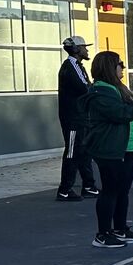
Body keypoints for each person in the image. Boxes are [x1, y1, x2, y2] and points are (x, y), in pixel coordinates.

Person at [83, 51, 133, 249]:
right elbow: (121, 114)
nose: (123, 68)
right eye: (120, 64)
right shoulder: (101, 91)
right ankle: (103, 233)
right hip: (110, 148)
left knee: (122, 190)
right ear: (109, 67)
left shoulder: (117, 88)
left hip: (128, 147)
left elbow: (129, 112)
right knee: (110, 190)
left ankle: (119, 228)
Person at [56, 35, 98, 200]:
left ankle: (89, 186)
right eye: (84, 47)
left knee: (84, 151)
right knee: (72, 152)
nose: (86, 50)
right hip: (73, 118)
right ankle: (64, 189)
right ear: (76, 49)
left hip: (80, 117)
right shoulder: (70, 67)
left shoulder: (77, 66)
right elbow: (86, 88)